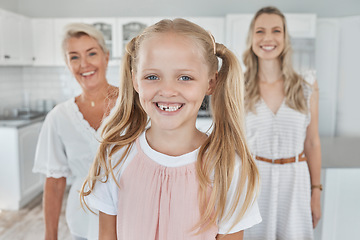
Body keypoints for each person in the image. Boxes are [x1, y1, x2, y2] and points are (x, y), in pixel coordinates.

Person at [80, 18, 262, 240]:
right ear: (135, 81)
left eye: (185, 77)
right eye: (152, 76)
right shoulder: (116, 157)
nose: (167, 90)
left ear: (210, 83)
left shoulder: (228, 167)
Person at [33, 23, 118, 240]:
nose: (84, 64)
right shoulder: (59, 117)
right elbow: (54, 182)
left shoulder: (134, 106)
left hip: (130, 216)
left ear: (106, 57)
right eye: (74, 57)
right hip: (82, 218)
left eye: (91, 53)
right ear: (67, 64)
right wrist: (50, 236)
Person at [242, 6, 322, 240]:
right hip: (254, 183)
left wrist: (316, 193)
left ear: (285, 38)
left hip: (296, 182)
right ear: (251, 38)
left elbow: (312, 142)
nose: (268, 38)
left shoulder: (307, 84)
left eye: (276, 31)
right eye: (260, 31)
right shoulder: (239, 87)